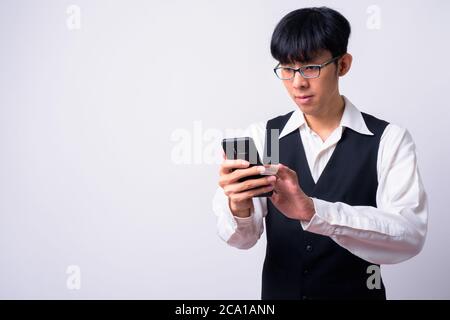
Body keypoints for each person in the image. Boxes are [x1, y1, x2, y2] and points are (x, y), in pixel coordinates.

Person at [212, 7, 428, 300]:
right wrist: (238, 206)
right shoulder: (267, 137)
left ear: (343, 65)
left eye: (310, 67)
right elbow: (242, 240)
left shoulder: (388, 139)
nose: (297, 82)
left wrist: (314, 212)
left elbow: (409, 236)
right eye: (286, 69)